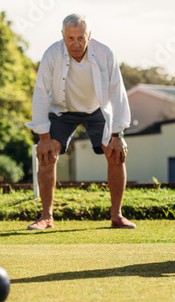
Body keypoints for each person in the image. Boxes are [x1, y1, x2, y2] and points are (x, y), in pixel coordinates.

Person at [26, 13, 135, 230]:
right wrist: (43, 137)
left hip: (97, 108)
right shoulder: (52, 54)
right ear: (63, 36)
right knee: (47, 155)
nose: (76, 44)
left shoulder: (105, 53)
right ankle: (46, 217)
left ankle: (117, 216)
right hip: (63, 109)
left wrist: (118, 134)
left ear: (89, 36)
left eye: (81, 38)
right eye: (70, 38)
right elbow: (40, 93)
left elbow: (117, 92)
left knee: (116, 154)